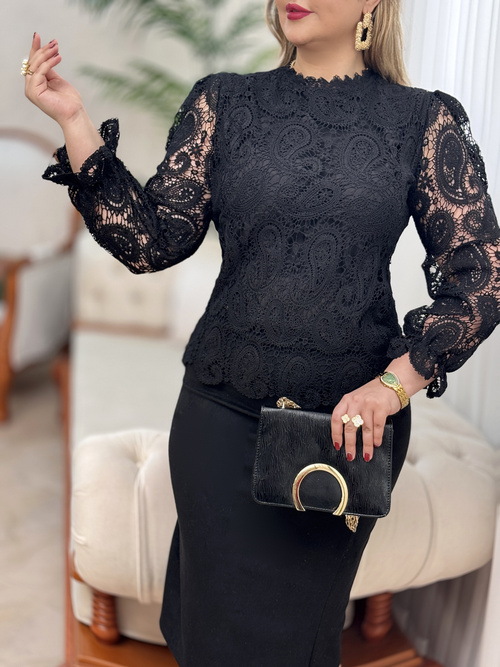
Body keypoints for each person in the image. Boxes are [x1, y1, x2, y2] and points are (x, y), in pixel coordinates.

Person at [24, 0, 500, 665]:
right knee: (212, 634)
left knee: (297, 641)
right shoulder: (222, 103)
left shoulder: (424, 121)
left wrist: (393, 387)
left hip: (344, 433)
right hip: (220, 414)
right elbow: (151, 242)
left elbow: (482, 279)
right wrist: (74, 118)